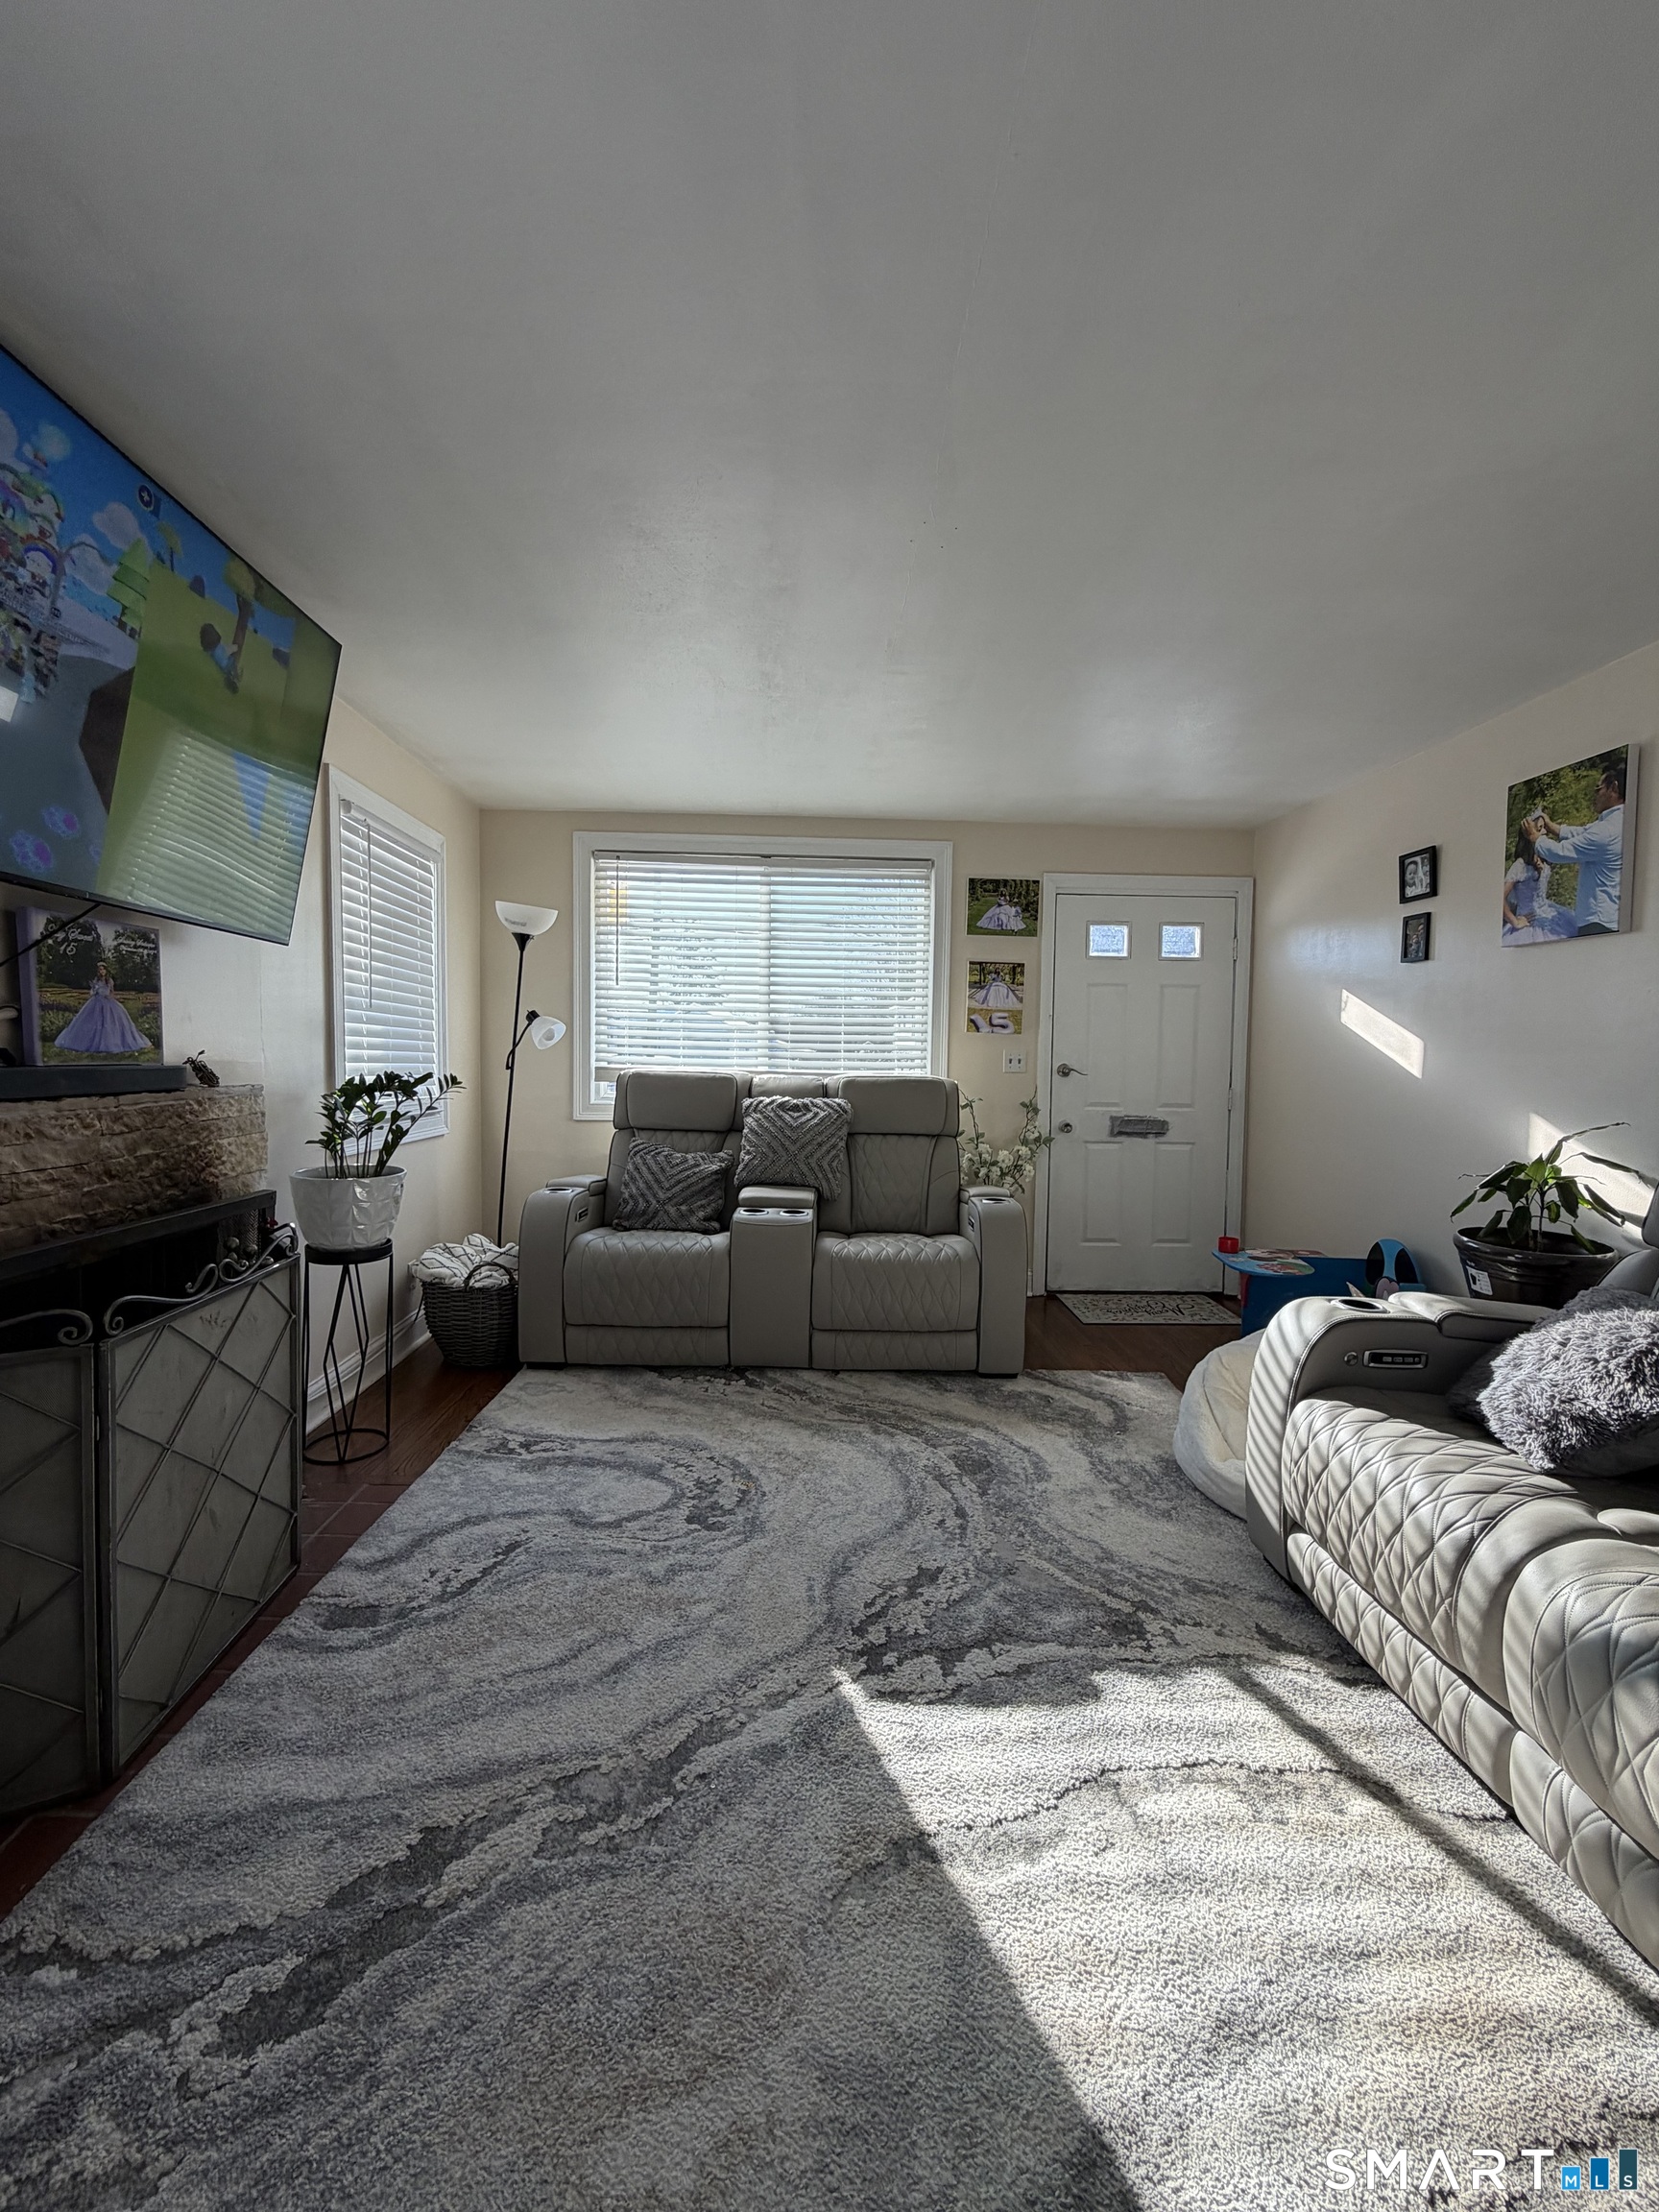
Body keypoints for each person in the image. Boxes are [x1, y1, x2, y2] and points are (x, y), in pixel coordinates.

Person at [1530, 758, 1628, 935]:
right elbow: (1583, 832)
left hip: (1598, 920)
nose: (1595, 793)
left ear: (1613, 788)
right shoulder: (1616, 822)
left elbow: (1560, 852)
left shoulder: (1607, 831)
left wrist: (1535, 838)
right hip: (1607, 916)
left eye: (1598, 788)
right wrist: (1552, 827)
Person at [54, 961, 152, 1055]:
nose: (102, 971)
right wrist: (94, 990)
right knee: (92, 1022)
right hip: (96, 1002)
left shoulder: (109, 981)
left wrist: (111, 999)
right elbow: (92, 992)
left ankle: (111, 1043)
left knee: (110, 1021)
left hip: (107, 1002)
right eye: (100, 970)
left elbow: (112, 992)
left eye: (103, 970)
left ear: (106, 971)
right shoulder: (96, 980)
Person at [1501, 820, 1571, 945]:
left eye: (1543, 828)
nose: (1544, 832)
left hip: (1548, 913)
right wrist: (1515, 922)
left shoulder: (1544, 858)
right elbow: (1500, 897)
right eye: (1540, 829)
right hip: (1529, 923)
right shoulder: (1520, 865)